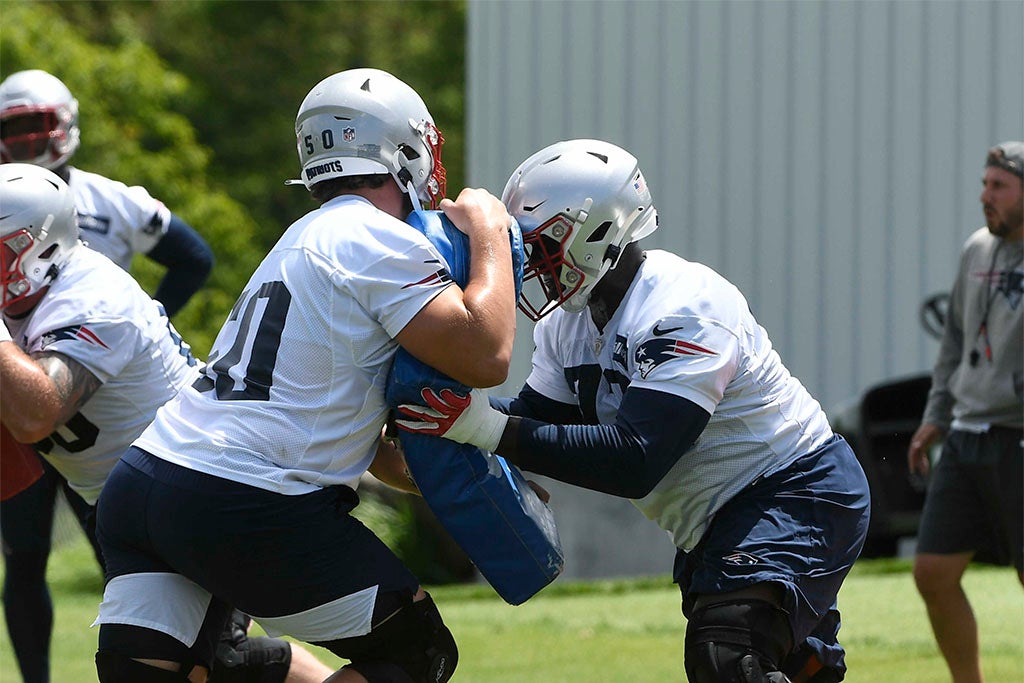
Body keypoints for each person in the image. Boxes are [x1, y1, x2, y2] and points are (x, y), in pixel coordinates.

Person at [91, 67, 516, 683]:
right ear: (403, 151)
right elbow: (486, 352)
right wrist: (493, 234)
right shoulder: (373, 236)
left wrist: (461, 471)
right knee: (414, 653)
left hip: (145, 480)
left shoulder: (303, 238)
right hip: (240, 498)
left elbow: (364, 448)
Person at [397, 138, 871, 683]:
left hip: (796, 491)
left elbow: (637, 458)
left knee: (727, 655)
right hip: (719, 518)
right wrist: (447, 418)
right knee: (789, 666)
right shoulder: (566, 323)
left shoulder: (685, 305)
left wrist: (483, 425)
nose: (530, 263)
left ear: (600, 230)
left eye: (544, 243)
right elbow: (540, 420)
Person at [0, 163, 333, 683]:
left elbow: (35, 411)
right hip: (126, 502)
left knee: (206, 663)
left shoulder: (94, 295)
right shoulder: (24, 303)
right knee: (171, 665)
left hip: (196, 482)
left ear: (40, 247)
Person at [0, 68, 218, 682]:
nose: (22, 140)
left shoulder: (91, 285)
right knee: (29, 560)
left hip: (182, 479)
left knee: (180, 657)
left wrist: (141, 325)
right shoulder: (23, 283)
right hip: (110, 473)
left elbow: (37, 407)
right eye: (10, 129)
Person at [906, 141, 1023, 683]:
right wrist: (936, 414)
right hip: (966, 434)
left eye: (998, 187)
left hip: (1017, 439)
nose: (985, 197)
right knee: (933, 572)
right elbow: (953, 341)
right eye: (984, 185)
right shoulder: (977, 250)